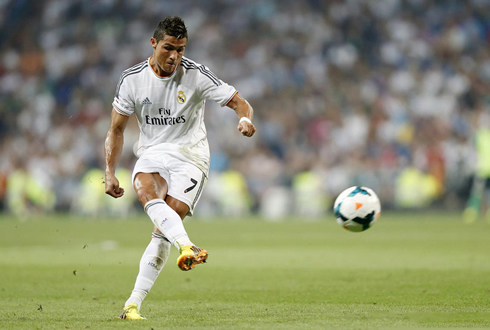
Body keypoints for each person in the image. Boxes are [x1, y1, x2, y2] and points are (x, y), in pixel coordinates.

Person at [104, 16, 256, 320]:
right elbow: (116, 131)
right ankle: (187, 246)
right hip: (152, 153)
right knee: (147, 194)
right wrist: (109, 171)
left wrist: (245, 119)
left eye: (181, 50)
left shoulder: (196, 75)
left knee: (163, 230)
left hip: (191, 156)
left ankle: (133, 302)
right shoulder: (132, 79)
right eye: (169, 48)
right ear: (154, 44)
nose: (175, 56)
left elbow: (239, 102)